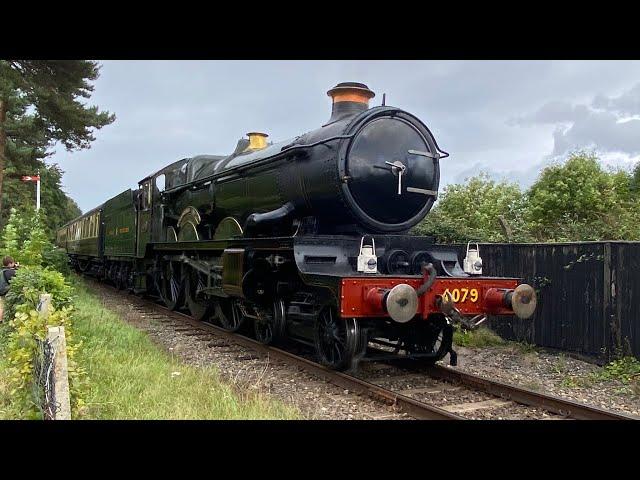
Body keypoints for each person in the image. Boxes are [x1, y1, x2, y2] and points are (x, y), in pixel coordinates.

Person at [0, 256, 18, 321]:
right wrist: (17, 267)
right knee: (9, 306)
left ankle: (1, 320)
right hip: (7, 292)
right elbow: (17, 277)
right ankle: (8, 320)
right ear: (10, 264)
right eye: (13, 263)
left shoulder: (2, 270)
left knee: (2, 306)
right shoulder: (10, 272)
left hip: (1, 291)